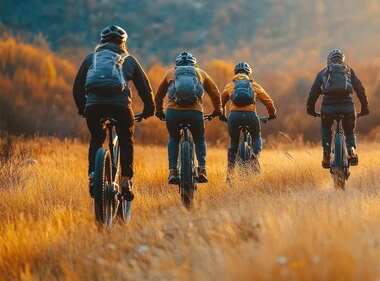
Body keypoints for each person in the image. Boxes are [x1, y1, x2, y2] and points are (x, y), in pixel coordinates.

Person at [73, 25, 156, 200]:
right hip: (120, 107)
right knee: (126, 138)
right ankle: (126, 179)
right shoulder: (128, 59)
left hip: (94, 107)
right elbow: (145, 88)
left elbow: (77, 89)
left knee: (97, 138)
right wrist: (149, 109)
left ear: (102, 42)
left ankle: (94, 177)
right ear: (123, 43)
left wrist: (83, 109)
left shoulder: (91, 59)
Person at [155, 52, 222, 184]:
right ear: (194, 64)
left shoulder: (170, 73)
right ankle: (202, 169)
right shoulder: (200, 73)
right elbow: (214, 92)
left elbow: (159, 94)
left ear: (177, 64)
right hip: (195, 113)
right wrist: (218, 110)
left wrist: (159, 111)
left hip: (173, 113)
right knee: (199, 139)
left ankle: (173, 171)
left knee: (174, 138)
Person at [306, 49, 369, 168]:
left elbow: (313, 93)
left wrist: (310, 109)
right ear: (342, 60)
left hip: (328, 108)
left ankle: (326, 153)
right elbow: (360, 90)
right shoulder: (349, 71)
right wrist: (365, 108)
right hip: (347, 107)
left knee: (325, 127)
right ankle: (351, 149)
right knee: (349, 131)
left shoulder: (323, 73)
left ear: (328, 61)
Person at [221, 62, 276, 178]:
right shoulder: (254, 85)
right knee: (256, 137)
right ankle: (255, 155)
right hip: (250, 116)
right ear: (249, 74)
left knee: (234, 143)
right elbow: (268, 101)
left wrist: (223, 116)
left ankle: (230, 174)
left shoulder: (229, 86)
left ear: (235, 74)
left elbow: (220, 105)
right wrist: (272, 114)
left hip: (234, 117)